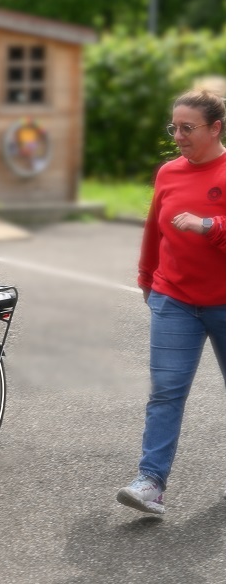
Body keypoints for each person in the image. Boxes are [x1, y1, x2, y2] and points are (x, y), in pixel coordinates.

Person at [116, 89, 226, 514]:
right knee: (165, 393)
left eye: (187, 128)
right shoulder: (169, 173)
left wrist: (210, 225)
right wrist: (147, 277)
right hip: (174, 298)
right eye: (174, 127)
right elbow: (154, 230)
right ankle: (150, 483)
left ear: (215, 128)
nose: (178, 136)